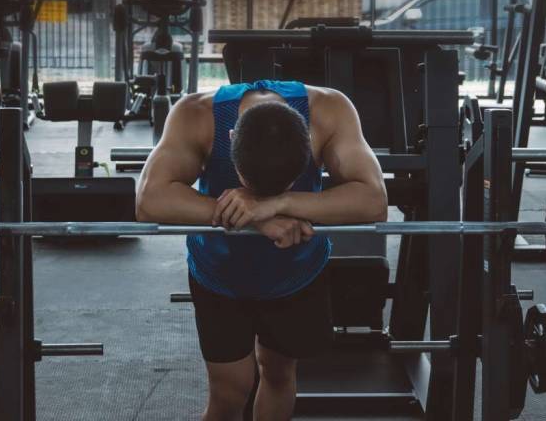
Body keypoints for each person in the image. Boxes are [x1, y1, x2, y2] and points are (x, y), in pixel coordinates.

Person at [136, 80, 387, 421]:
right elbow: (150, 200)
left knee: (279, 374)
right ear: (230, 139)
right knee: (229, 391)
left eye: (281, 189)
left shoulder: (331, 110)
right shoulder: (195, 115)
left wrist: (277, 203)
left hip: (296, 272)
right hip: (219, 273)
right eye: (252, 190)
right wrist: (256, 221)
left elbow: (373, 200)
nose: (262, 200)